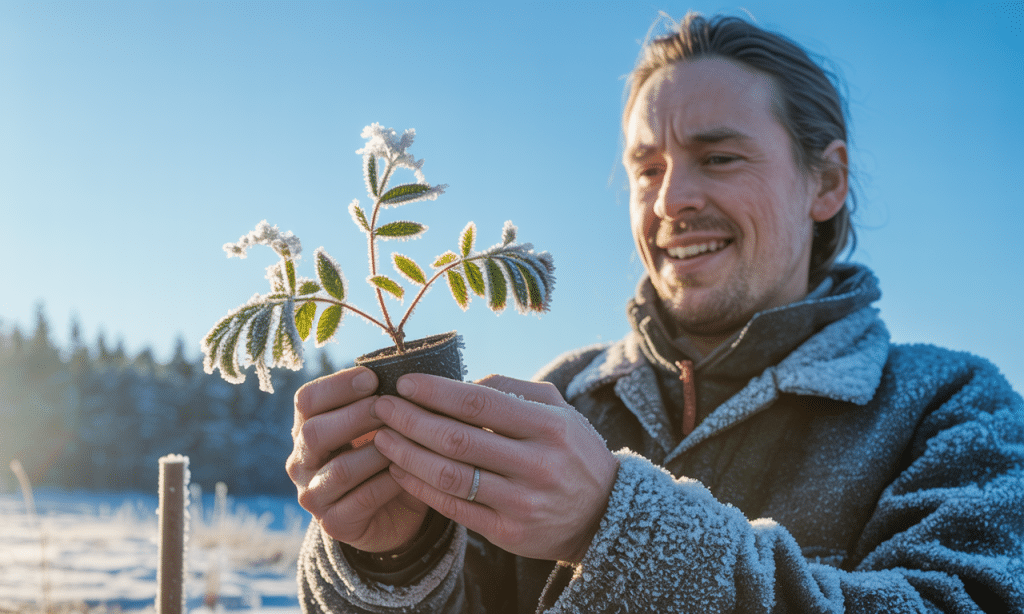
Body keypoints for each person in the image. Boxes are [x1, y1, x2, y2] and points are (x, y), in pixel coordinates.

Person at [286, 12, 1024, 613]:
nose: (671, 201)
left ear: (824, 182)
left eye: (720, 157)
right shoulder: (564, 397)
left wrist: (616, 527)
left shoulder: (950, 409)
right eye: (648, 169)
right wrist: (391, 557)